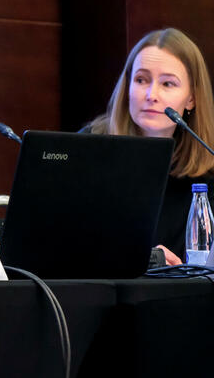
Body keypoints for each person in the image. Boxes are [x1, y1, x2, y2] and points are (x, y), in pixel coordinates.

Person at [84, 28, 214, 265]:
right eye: (141, 80)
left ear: (191, 98)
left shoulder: (208, 165)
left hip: (184, 297)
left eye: (168, 84)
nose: (151, 94)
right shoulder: (89, 147)